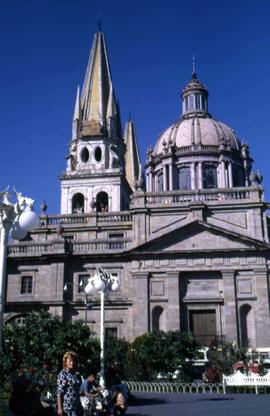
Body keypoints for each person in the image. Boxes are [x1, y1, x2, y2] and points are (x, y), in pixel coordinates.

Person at [57, 351, 84, 416]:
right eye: (70, 361)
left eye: (74, 361)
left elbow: (75, 391)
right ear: (65, 362)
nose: (72, 363)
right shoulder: (63, 374)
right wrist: (60, 409)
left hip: (77, 407)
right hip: (68, 408)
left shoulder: (73, 374)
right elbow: (59, 393)